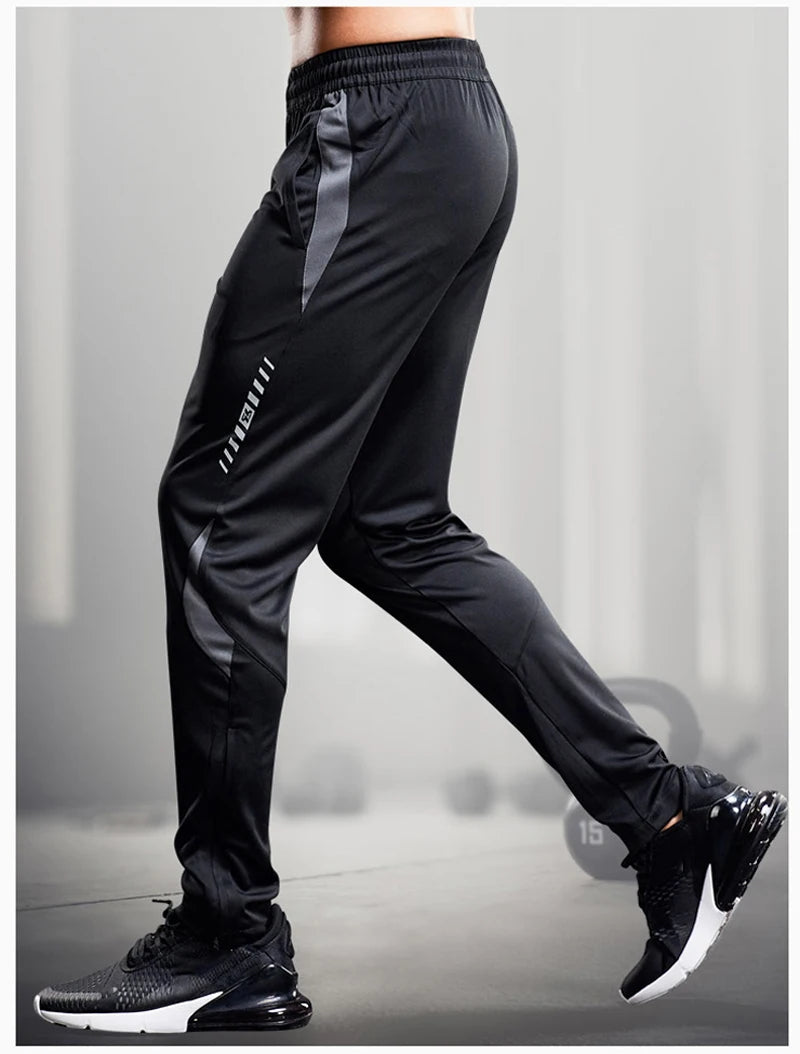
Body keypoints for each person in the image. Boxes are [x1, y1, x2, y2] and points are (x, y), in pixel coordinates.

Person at [33, 6, 787, 1035]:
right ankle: (667, 814)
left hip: (379, 121)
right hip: (439, 120)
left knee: (220, 517)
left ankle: (226, 931)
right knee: (388, 521)